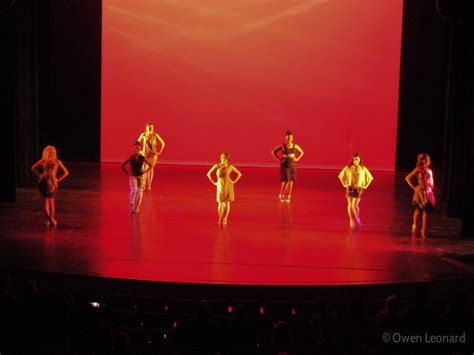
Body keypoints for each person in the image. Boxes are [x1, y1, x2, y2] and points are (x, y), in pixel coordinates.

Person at [31, 145, 69, 227]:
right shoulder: (43, 161)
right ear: (46, 153)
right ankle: (49, 219)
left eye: (53, 152)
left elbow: (66, 172)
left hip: (52, 183)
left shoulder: (57, 162)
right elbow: (33, 168)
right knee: (46, 201)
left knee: (51, 201)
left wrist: (57, 179)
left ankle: (51, 218)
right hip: (44, 182)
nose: (52, 154)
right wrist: (40, 175)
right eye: (50, 153)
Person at [338, 153, 373, 229]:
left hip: (358, 188)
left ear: (360, 160)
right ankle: (351, 220)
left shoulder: (363, 168)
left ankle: (357, 219)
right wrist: (344, 184)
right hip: (350, 188)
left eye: (357, 159)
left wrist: (365, 186)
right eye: (354, 159)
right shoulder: (348, 168)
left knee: (355, 205)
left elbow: (370, 178)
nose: (355, 160)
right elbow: (340, 176)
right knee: (350, 205)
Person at [206, 152, 242, 226]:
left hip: (228, 186)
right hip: (220, 186)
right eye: (222, 157)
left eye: (225, 158)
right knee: (220, 204)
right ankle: (220, 218)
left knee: (227, 203)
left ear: (227, 159)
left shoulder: (230, 167)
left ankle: (225, 219)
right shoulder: (217, 166)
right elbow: (208, 174)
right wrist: (214, 182)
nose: (223, 159)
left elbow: (239, 174)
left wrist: (234, 181)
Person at [405, 153, 435, 238]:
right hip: (419, 191)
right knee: (418, 210)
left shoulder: (429, 171)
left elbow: (431, 181)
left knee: (425, 211)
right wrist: (414, 187)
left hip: (427, 192)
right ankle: (414, 225)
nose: (428, 162)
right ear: (424, 162)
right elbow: (407, 178)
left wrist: (430, 187)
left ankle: (423, 230)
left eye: (429, 161)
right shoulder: (418, 170)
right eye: (427, 161)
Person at [271, 130, 304, 202]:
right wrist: (279, 159)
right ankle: (281, 195)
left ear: (292, 138)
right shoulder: (282, 146)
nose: (289, 139)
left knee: (291, 180)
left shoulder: (295, 146)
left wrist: (297, 158)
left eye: (290, 138)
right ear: (285, 138)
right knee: (286, 180)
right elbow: (273, 152)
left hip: (292, 164)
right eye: (287, 138)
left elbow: (301, 152)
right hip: (285, 164)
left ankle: (288, 196)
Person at [121, 142, 152, 213]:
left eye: (137, 148)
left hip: (141, 176)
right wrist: (127, 173)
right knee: (133, 191)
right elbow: (122, 165)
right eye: (135, 148)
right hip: (133, 176)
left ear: (140, 149)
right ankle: (132, 206)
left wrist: (145, 171)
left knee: (140, 191)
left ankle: (137, 207)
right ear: (133, 149)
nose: (136, 150)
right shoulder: (131, 158)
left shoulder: (142, 158)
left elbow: (150, 165)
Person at [137, 123, 165, 191]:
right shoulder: (143, 135)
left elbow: (163, 143)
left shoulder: (155, 135)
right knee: (144, 169)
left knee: (151, 170)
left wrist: (159, 152)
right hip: (145, 155)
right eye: (149, 127)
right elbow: (137, 143)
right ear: (146, 127)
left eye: (152, 127)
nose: (150, 128)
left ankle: (149, 186)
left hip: (153, 155)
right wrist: (140, 151)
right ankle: (143, 185)